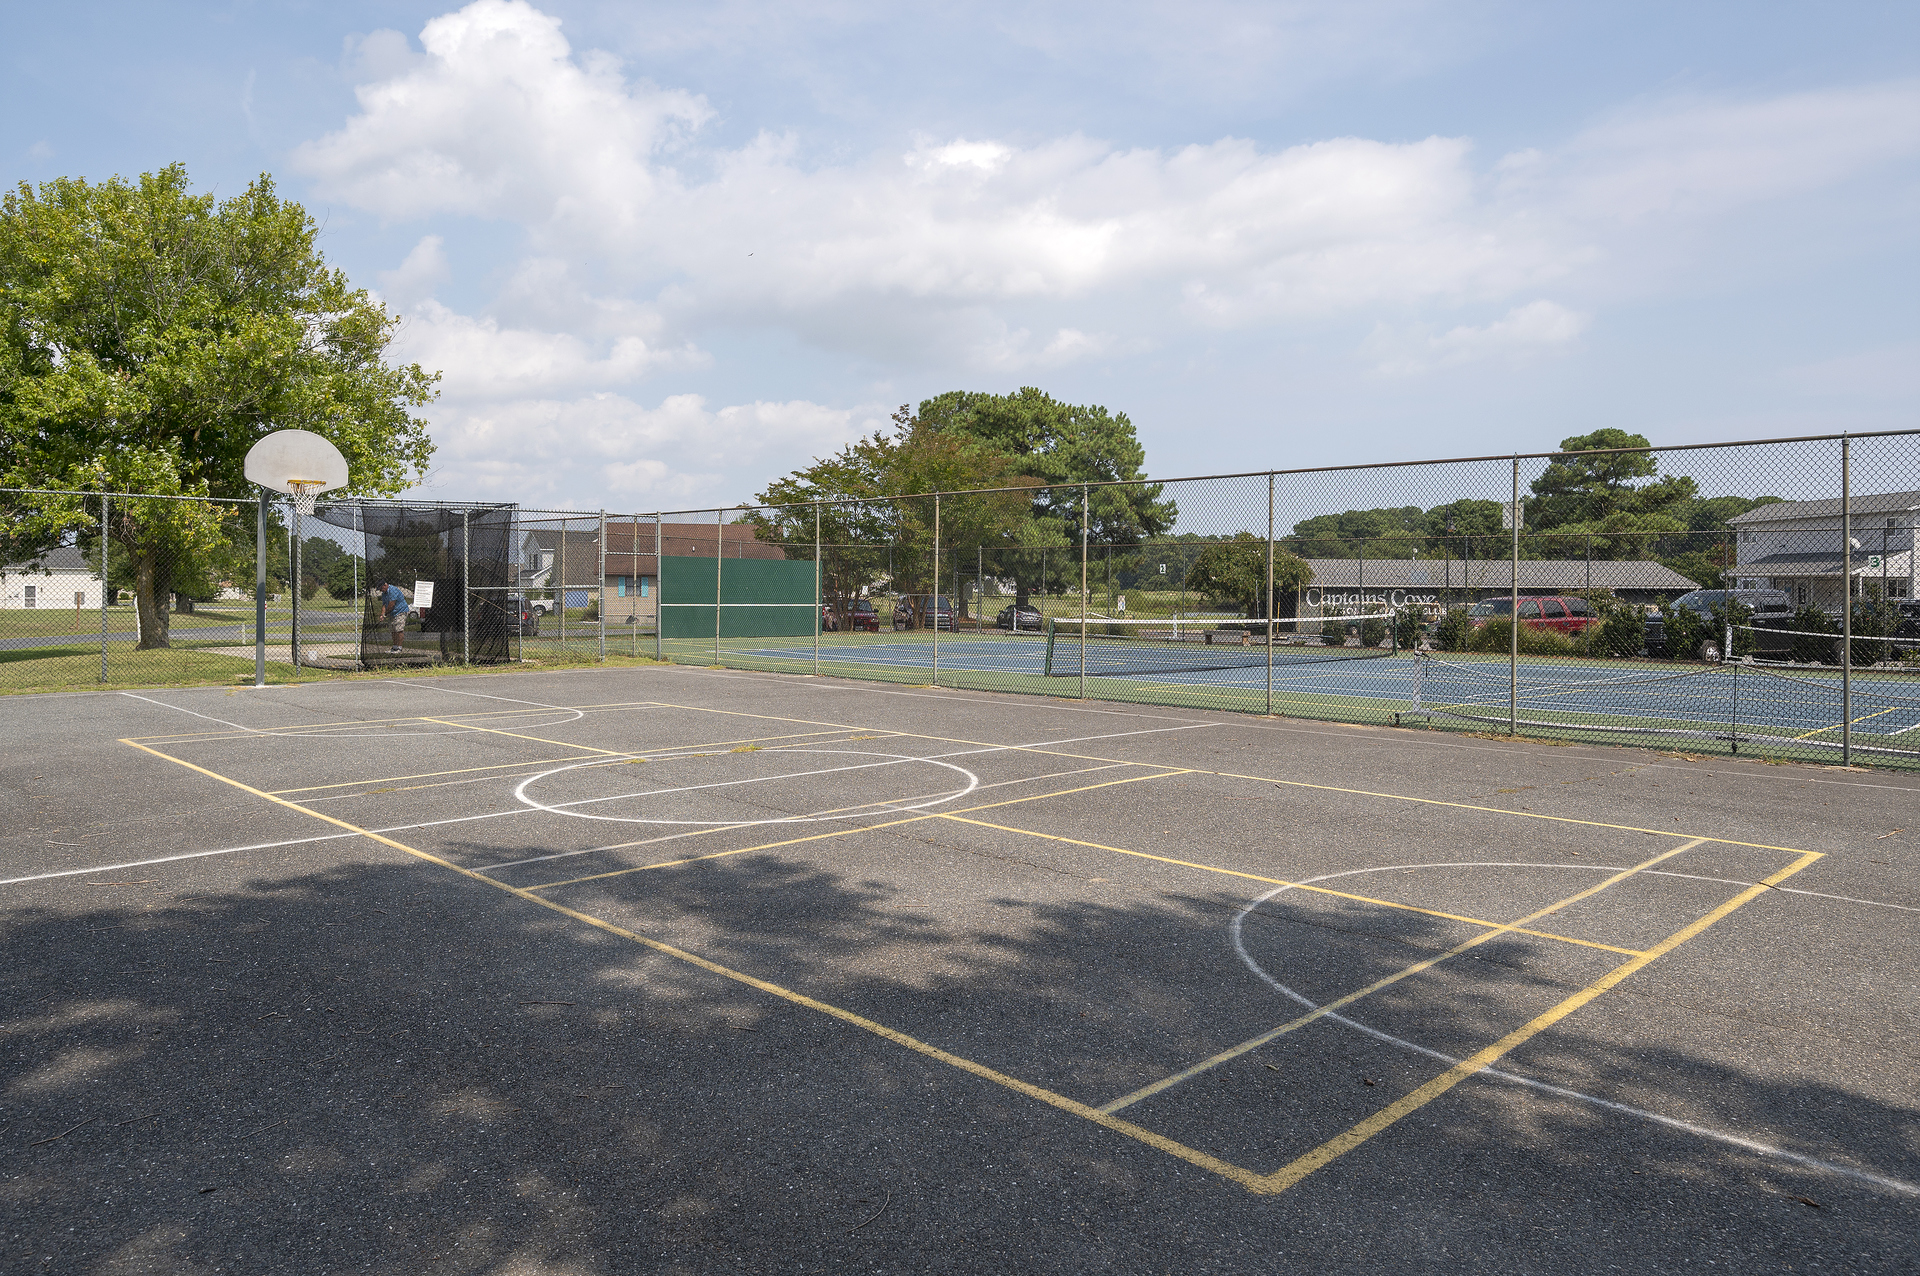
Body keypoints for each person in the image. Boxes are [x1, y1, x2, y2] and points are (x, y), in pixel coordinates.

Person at [377, 579, 411, 654]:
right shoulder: (384, 593)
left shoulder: (393, 590)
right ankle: (394, 647)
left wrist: (385, 614)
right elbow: (384, 605)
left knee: (399, 629)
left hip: (401, 611)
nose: (380, 590)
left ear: (385, 585)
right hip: (392, 613)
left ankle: (399, 648)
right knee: (393, 630)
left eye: (381, 588)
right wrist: (382, 615)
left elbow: (391, 604)